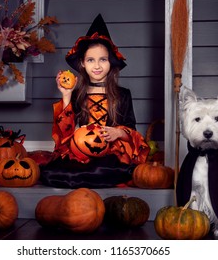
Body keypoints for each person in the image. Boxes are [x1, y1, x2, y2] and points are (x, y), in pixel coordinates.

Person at [40, 14, 150, 188]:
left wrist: (117, 133)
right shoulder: (77, 95)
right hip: (80, 152)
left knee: (106, 171)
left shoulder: (123, 95)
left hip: (110, 152)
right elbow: (64, 136)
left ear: (111, 63)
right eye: (91, 60)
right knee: (52, 172)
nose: (97, 66)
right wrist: (66, 95)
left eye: (103, 60)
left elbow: (132, 129)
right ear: (82, 63)